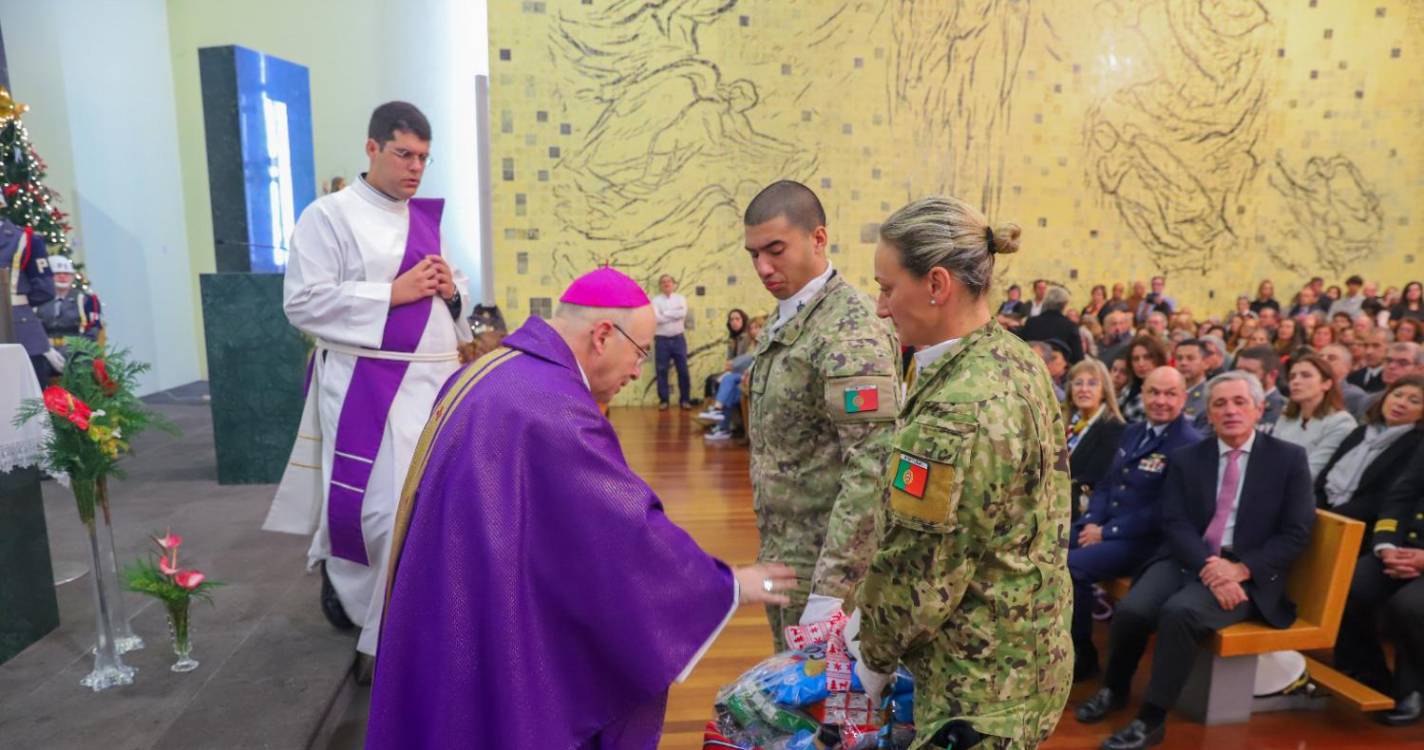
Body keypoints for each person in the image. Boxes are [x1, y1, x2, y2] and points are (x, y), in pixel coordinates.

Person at [365, 268, 797, 749]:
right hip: (480, 616)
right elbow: (622, 533)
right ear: (603, 335)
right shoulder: (552, 408)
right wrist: (728, 585)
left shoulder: (492, 371)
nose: (638, 371)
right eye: (638, 354)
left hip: (448, 604)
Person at [857, 194, 1071, 747]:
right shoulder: (1010, 355)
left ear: (936, 284)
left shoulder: (961, 408)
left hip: (976, 694)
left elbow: (921, 573)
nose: (881, 307)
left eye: (886, 288)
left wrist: (871, 656)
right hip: (1022, 657)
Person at [264, 102, 473, 666]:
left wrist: (451, 293)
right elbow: (301, 303)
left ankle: (411, 630)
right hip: (371, 384)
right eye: (404, 153)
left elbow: (450, 307)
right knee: (379, 514)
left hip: (436, 384)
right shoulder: (327, 216)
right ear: (372, 148)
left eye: (424, 158)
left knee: (435, 511)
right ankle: (363, 611)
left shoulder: (427, 220)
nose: (415, 168)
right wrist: (392, 293)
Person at [1077, 372, 1315, 750]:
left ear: (1258, 408)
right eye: (1219, 404)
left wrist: (1239, 569)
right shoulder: (1190, 457)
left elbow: (1296, 532)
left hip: (1249, 571)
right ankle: (1114, 690)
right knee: (1134, 610)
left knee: (1180, 613)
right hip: (1190, 556)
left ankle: (1151, 719)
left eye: (1239, 402)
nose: (1230, 411)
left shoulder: (1287, 459)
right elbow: (1175, 520)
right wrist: (1210, 566)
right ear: (1208, 412)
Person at [742, 181, 901, 646]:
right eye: (753, 255)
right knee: (795, 698)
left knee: (830, 707)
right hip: (785, 548)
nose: (763, 268)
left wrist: (832, 589)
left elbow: (873, 465)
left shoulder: (849, 332)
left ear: (818, 238)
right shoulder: (787, 315)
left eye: (775, 250)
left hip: (829, 565)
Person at [1070, 366, 1201, 682]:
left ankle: (1081, 654)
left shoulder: (1188, 444)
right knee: (1042, 550)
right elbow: (1106, 484)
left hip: (1144, 543)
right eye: (1153, 392)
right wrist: (1091, 521)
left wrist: (1106, 531)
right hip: (1106, 529)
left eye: (1170, 394)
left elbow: (1165, 510)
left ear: (1184, 398)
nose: (1160, 400)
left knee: (1070, 567)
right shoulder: (1132, 432)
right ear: (1142, 395)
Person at [1337, 432, 1424, 726]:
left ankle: (1412, 688)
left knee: (1409, 606)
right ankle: (1368, 672)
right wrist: (1386, 544)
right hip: (1405, 548)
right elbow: (1403, 493)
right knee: (1347, 586)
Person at [1314, 375, 1424, 528]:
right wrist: (1316, 510)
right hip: (1323, 514)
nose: (1401, 403)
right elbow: (1324, 477)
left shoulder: (1416, 445)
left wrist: (1331, 517)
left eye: (1414, 401)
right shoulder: (1360, 432)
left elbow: (1382, 497)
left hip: (1366, 528)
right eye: (1397, 395)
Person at [1272, 353, 1357, 479]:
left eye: (1306, 376)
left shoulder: (1341, 422)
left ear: (1326, 384)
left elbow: (1312, 472)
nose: (1296, 381)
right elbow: (1270, 457)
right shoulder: (1287, 416)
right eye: (1292, 376)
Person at [1064, 359, 1128, 523]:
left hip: (1083, 513)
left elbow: (1096, 477)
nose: (1084, 389)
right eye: (1078, 383)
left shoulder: (1114, 428)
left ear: (1104, 391)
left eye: (1092, 384)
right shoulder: (1065, 423)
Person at [1, 215, 61, 381]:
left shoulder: (24, 238)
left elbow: (45, 289)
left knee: (29, 398)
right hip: (19, 320)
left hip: (19, 329)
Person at [704, 315, 764, 441]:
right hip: (744, 380)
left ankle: (719, 416)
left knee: (728, 380)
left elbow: (751, 360)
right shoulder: (750, 344)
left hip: (758, 380)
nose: (754, 331)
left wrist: (734, 365)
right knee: (730, 387)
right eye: (752, 328)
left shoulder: (765, 345)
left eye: (757, 328)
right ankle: (723, 426)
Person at [36, 255, 103, 347]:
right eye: (58, 274)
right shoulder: (38, 300)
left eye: (67, 274)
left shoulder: (87, 301)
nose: (63, 277)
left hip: (77, 351)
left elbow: (92, 332)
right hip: (44, 350)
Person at [651, 273, 691, 410]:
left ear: (673, 284)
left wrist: (665, 313)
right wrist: (674, 313)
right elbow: (657, 319)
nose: (666, 283)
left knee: (683, 371)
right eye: (663, 282)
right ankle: (664, 401)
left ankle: (685, 400)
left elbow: (683, 314)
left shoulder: (681, 298)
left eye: (669, 281)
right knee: (661, 371)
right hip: (661, 340)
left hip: (678, 339)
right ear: (660, 286)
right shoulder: (655, 300)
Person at [1020, 285, 1084, 363]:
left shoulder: (1031, 322)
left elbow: (1021, 349)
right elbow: (1078, 358)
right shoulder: (1070, 326)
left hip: (1032, 368)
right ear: (1064, 305)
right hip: (1058, 371)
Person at [701, 308, 749, 405]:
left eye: (737, 319)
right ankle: (709, 409)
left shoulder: (747, 337)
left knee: (716, 381)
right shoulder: (732, 338)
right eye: (731, 319)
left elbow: (747, 358)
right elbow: (729, 359)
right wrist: (728, 367)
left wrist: (732, 365)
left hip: (743, 372)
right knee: (710, 379)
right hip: (733, 371)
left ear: (743, 321)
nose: (734, 322)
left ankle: (714, 409)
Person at [1119, 335, 1170, 423]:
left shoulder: (1167, 391)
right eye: (1136, 359)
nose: (1141, 364)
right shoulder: (1127, 389)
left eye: (1147, 358)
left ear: (1158, 359)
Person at [1234, 346, 1287, 428]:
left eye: (1249, 372)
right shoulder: (1230, 401)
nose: (1240, 376)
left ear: (1272, 375)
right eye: (1238, 370)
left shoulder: (1279, 408)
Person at [1320, 343, 1372, 420]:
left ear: (1347, 366)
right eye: (1319, 358)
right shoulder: (1308, 390)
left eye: (1331, 358)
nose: (1323, 361)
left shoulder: (1354, 396)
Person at [1175, 339, 1209, 422]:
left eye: (1190, 358)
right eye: (1179, 358)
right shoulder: (1168, 392)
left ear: (1205, 363)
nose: (1183, 363)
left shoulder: (1210, 397)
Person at [1350, 328, 1390, 392]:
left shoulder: (1394, 380)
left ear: (1389, 347)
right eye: (1366, 346)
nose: (1368, 352)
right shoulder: (1353, 377)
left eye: (1376, 346)